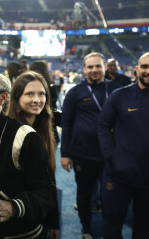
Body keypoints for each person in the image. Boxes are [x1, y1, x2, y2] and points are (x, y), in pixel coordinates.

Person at [0, 70, 57, 238]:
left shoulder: (25, 137)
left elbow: (46, 193)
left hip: (20, 233)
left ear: (3, 98)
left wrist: (13, 207)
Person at [60, 52, 120, 239]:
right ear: (84, 69)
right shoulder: (75, 92)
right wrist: (65, 153)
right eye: (90, 67)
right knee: (84, 194)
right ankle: (86, 229)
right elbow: (67, 123)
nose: (94, 70)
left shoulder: (117, 90)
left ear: (104, 67)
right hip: (83, 154)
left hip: (110, 154)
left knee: (110, 196)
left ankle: (109, 230)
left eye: (98, 66)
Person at [98, 52, 149, 239]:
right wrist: (111, 156)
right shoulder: (119, 95)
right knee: (112, 226)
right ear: (137, 70)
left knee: (146, 227)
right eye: (145, 66)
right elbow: (103, 126)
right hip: (118, 176)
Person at [7, 71, 59, 239]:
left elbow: (48, 180)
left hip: (39, 217)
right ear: (17, 98)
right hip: (18, 225)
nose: (37, 100)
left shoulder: (44, 129)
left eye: (42, 94)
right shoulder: (9, 133)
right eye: (30, 94)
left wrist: (53, 222)